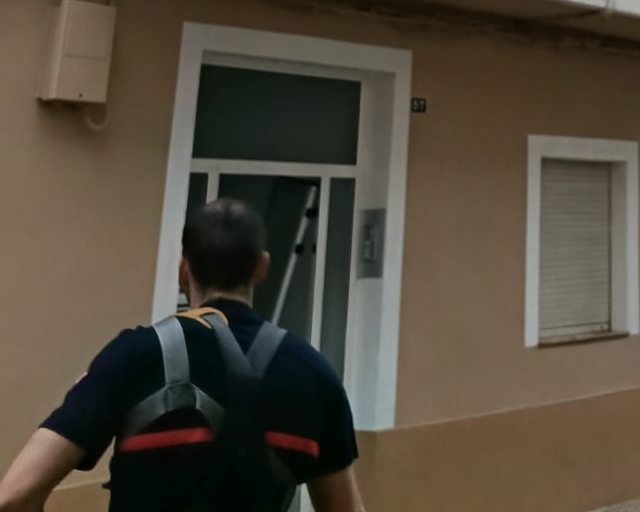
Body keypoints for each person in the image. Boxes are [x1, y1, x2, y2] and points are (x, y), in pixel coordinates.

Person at [0, 199, 366, 512]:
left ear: (182, 270)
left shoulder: (134, 355)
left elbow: (14, 497)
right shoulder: (315, 375)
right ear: (262, 267)